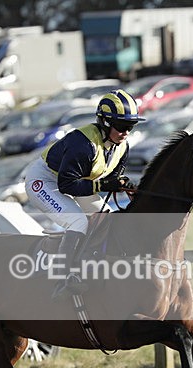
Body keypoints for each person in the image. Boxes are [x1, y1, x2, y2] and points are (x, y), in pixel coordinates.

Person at [25, 89, 144, 299]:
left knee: (107, 219)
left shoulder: (122, 147)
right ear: (106, 123)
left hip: (79, 181)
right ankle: (63, 278)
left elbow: (110, 180)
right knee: (78, 222)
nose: (127, 132)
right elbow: (67, 186)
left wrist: (125, 186)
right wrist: (106, 185)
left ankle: (98, 264)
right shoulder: (83, 144)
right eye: (122, 126)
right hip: (45, 181)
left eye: (131, 126)